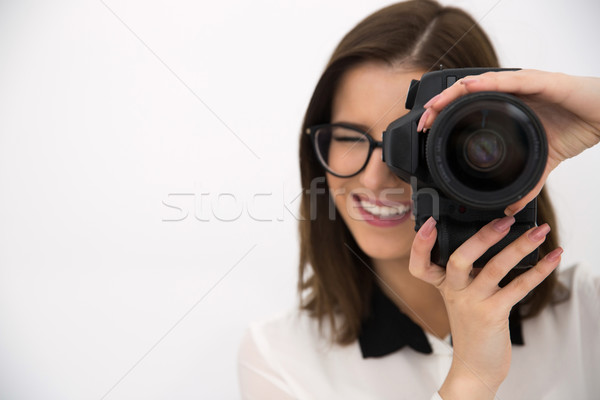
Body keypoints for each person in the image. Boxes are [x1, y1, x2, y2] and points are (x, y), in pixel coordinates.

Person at [237, 1, 600, 399]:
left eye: (413, 143)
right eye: (348, 137)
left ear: (502, 151)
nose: (375, 179)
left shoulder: (588, 313)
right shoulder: (280, 356)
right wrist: (470, 379)